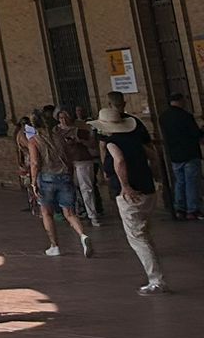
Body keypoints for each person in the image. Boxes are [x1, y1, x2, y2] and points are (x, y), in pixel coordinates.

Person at [96, 103, 167, 293]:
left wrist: (125, 186)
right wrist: (155, 175)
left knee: (137, 238)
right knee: (145, 234)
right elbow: (154, 156)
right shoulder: (134, 140)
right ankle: (157, 276)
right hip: (148, 190)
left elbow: (119, 161)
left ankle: (156, 281)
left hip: (131, 195)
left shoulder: (112, 143)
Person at [26, 106, 93, 258]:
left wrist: (33, 182)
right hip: (64, 176)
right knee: (69, 212)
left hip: (46, 178)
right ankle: (83, 235)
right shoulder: (59, 138)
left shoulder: (34, 141)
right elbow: (68, 156)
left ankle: (54, 245)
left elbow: (35, 163)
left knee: (47, 213)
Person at [58, 108, 103, 227]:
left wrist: (79, 141)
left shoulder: (79, 130)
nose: (63, 120)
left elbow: (92, 144)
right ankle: (76, 213)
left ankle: (92, 215)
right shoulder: (56, 132)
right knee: (71, 189)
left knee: (86, 189)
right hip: (67, 163)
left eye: (65, 117)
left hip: (82, 161)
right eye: (61, 118)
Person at [160, 91, 201, 222]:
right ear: (180, 101)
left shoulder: (163, 117)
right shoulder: (186, 116)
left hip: (174, 154)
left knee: (179, 181)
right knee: (191, 182)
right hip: (189, 153)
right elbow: (195, 134)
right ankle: (192, 210)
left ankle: (179, 208)